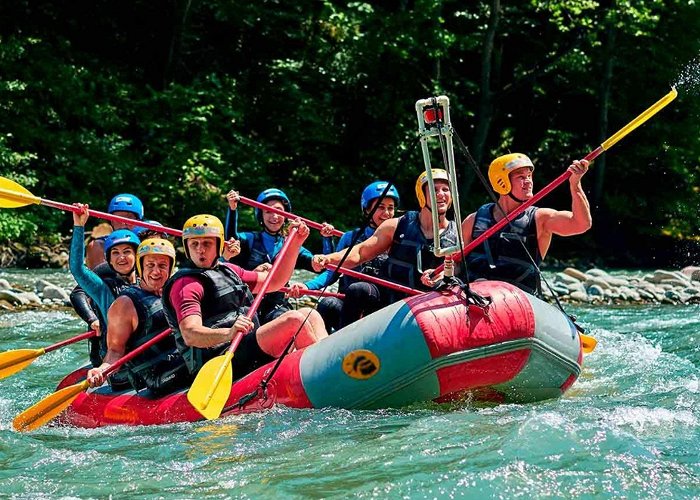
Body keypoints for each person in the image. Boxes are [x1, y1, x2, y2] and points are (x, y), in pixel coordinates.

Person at [162, 214, 328, 381]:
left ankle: (330, 364)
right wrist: (228, 333)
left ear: (219, 245)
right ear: (187, 247)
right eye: (194, 244)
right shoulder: (185, 285)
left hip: (245, 344)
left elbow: (276, 281)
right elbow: (191, 334)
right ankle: (323, 377)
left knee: (309, 313)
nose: (200, 249)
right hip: (219, 357)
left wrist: (294, 244)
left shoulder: (229, 270)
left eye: (207, 243)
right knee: (293, 321)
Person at [312, 169, 459, 304]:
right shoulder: (395, 226)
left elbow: (460, 268)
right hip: (391, 301)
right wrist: (328, 259)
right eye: (434, 190)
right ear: (422, 195)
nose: (441, 194)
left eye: (446, 190)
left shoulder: (457, 234)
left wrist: (443, 276)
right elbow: (360, 252)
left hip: (428, 304)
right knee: (357, 290)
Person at [460, 153, 592, 295]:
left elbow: (581, 224)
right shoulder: (473, 220)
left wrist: (575, 185)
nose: (528, 181)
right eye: (521, 177)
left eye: (529, 176)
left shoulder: (540, 218)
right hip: (475, 296)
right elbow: (455, 262)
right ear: (502, 182)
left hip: (518, 301)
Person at [86, 238, 191, 395]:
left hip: (182, 359)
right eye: (150, 265)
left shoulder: (177, 292)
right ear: (141, 267)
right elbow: (115, 350)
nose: (156, 271)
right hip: (156, 376)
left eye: (162, 266)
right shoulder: (124, 304)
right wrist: (102, 370)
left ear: (170, 268)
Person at [223, 188, 334, 324]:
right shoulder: (249, 239)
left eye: (278, 211)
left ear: (285, 215)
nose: (274, 217)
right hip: (248, 306)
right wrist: (232, 209)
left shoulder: (293, 246)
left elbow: (325, 268)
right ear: (261, 215)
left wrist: (327, 239)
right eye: (268, 211)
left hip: (278, 307)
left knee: (289, 317)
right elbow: (231, 240)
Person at [316, 181, 400, 331]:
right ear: (367, 210)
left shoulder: (400, 240)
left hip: (382, 306)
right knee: (328, 304)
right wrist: (306, 286)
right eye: (381, 207)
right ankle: (332, 347)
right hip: (350, 305)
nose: (387, 213)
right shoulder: (350, 238)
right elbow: (331, 274)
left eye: (390, 208)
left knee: (359, 289)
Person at [69, 203, 139, 371]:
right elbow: (77, 269)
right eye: (115, 253)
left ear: (137, 256)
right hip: (120, 360)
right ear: (109, 259)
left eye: (127, 251)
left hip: (146, 353)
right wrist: (79, 226)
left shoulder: (150, 281)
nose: (121, 257)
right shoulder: (103, 290)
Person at [85, 194, 144, 269]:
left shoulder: (146, 243)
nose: (123, 224)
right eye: (118, 219)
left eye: (128, 218)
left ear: (138, 221)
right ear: (111, 221)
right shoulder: (99, 246)